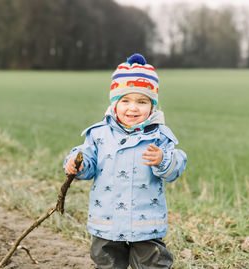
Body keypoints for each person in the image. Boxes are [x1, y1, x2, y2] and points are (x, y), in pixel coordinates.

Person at [64, 53, 187, 269]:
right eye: (125, 101)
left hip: (145, 219)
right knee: (106, 260)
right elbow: (88, 160)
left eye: (142, 101)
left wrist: (163, 159)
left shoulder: (159, 136)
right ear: (114, 103)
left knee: (153, 262)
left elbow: (176, 165)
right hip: (107, 217)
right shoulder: (99, 133)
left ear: (152, 106)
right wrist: (78, 164)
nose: (133, 108)